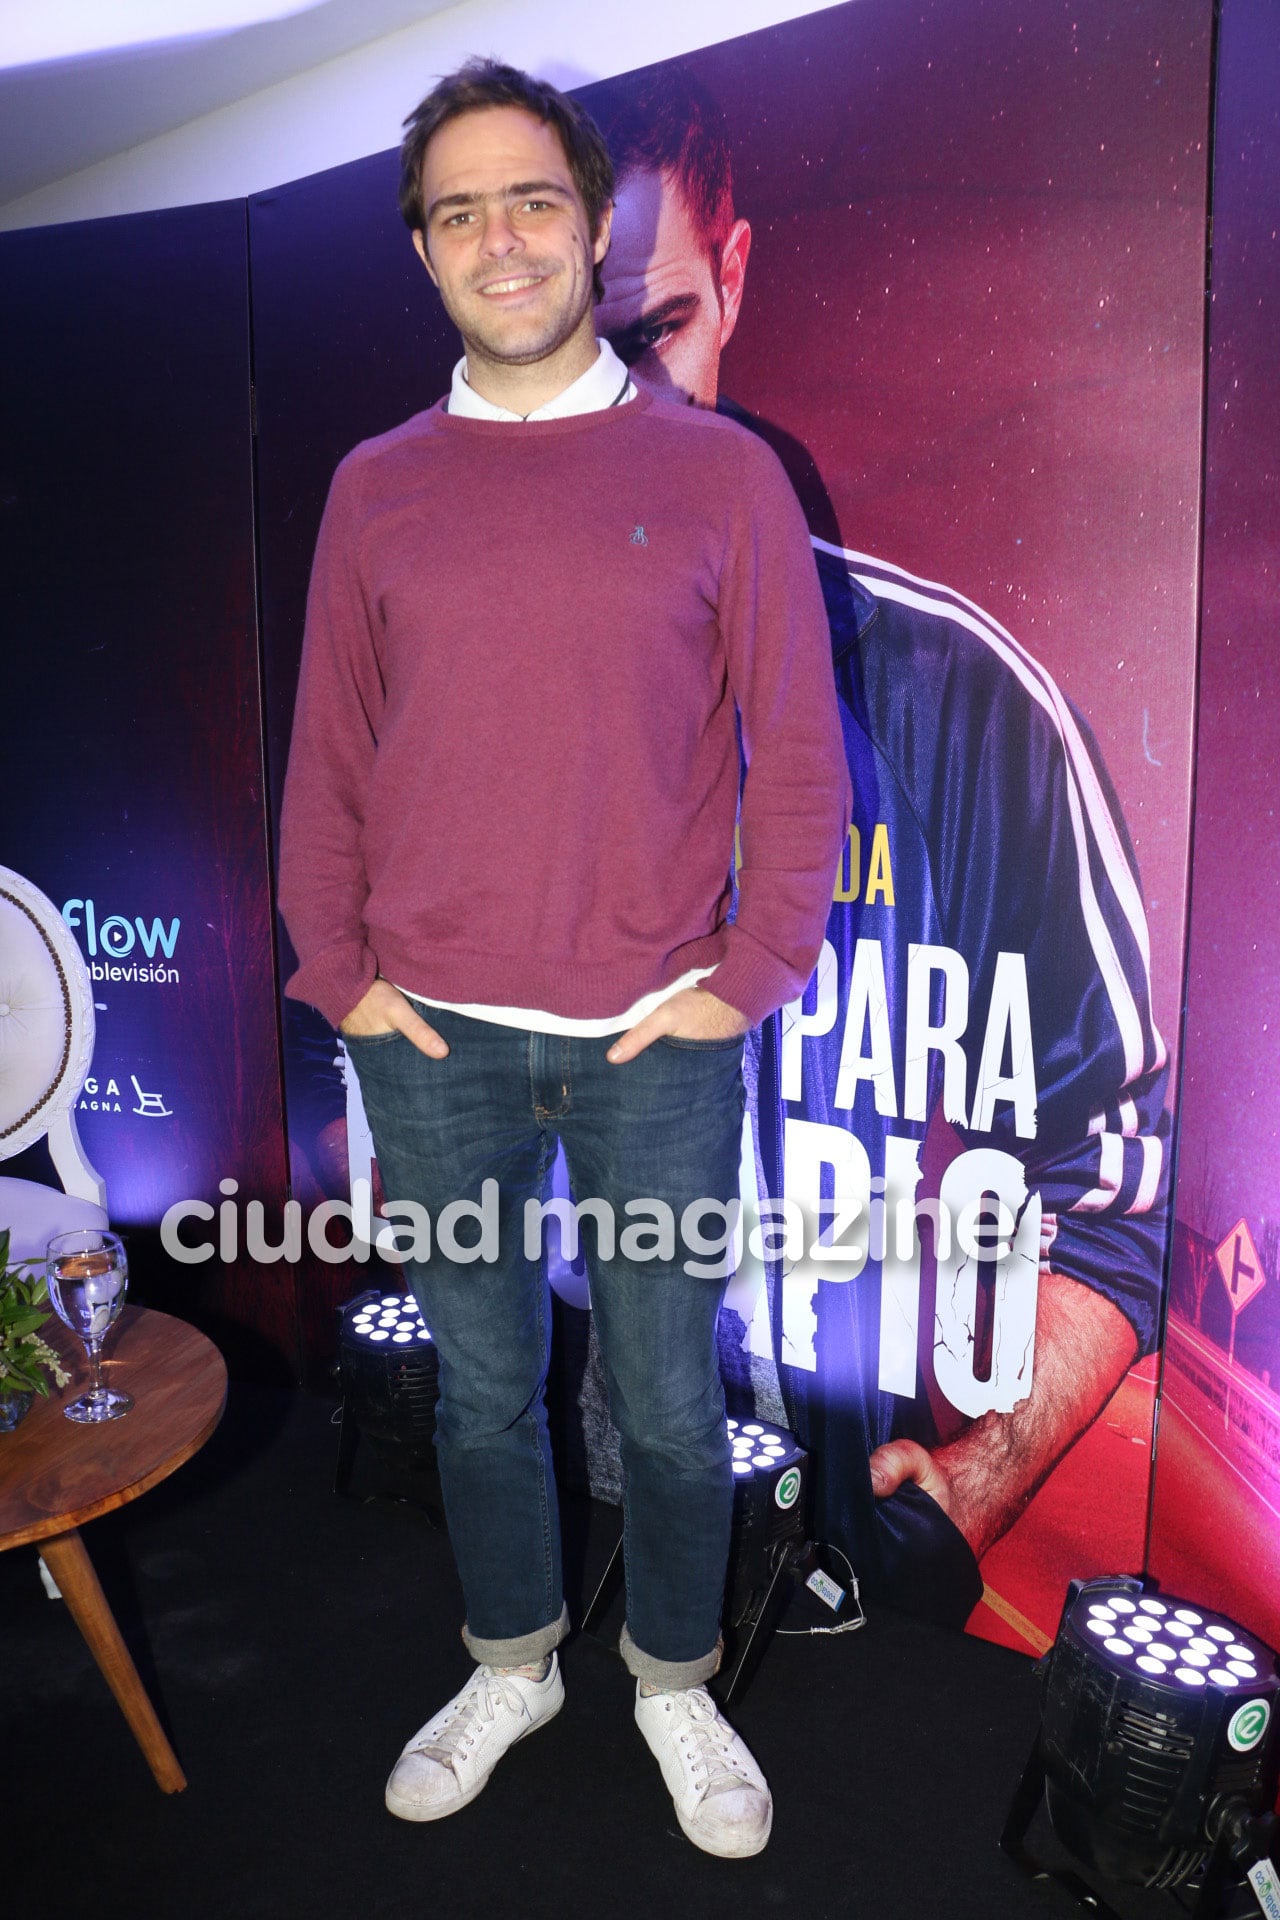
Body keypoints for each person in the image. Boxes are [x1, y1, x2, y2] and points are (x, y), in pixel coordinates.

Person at [277, 59, 850, 1856]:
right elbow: (329, 759)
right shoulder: (374, 489)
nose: (498, 237)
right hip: (428, 1043)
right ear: (424, 251)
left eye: (530, 199)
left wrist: (747, 978)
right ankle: (514, 1659)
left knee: (673, 1408)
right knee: (479, 1389)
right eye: (457, 210)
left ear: (592, 227)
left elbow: (803, 756)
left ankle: (674, 1682)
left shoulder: (722, 474)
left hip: (656, 1047)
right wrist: (341, 973)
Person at [590, 66, 1171, 1626]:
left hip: (867, 1600)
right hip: (575, 1552)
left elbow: (1127, 1191)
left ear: (734, 280)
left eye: (649, 332)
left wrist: (973, 1490)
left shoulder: (967, 713)